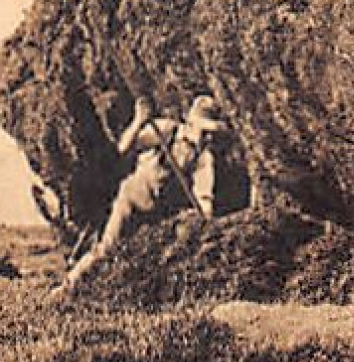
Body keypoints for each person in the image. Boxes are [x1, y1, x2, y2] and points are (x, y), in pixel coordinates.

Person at [54, 94, 225, 298]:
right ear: (190, 124)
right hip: (132, 200)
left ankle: (120, 295)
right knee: (107, 249)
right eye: (204, 131)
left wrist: (204, 220)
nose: (208, 138)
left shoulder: (204, 158)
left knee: (149, 257)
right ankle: (68, 287)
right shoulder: (166, 130)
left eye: (212, 134)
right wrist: (138, 121)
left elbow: (205, 198)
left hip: (159, 213)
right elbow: (124, 147)